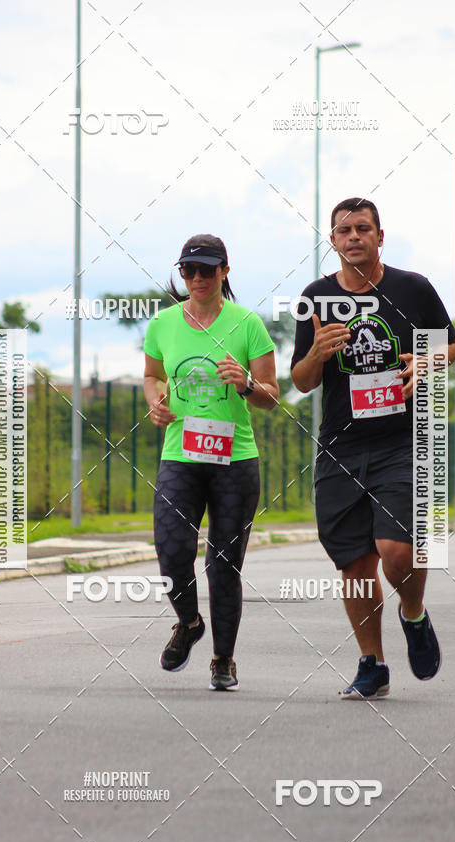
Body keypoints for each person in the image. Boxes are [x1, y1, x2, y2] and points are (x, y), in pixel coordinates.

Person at [290, 198, 455, 699]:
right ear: (333, 241)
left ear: (379, 237)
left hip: (405, 440)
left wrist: (425, 362)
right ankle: (373, 664)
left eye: (363, 228)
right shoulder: (315, 298)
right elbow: (300, 381)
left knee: (397, 550)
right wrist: (317, 354)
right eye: (344, 230)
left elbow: (449, 346)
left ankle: (414, 613)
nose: (354, 237)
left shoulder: (412, 288)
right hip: (342, 446)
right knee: (356, 563)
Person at [144, 234, 278, 690]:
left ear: (225, 270)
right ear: (181, 274)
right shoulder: (162, 324)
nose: (197, 278)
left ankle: (223, 659)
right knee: (171, 549)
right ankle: (189, 622)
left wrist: (244, 384)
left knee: (224, 563)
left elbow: (271, 398)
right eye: (189, 270)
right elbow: (151, 375)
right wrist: (155, 404)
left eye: (207, 269)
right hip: (180, 454)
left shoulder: (248, 325)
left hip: (234, 459)